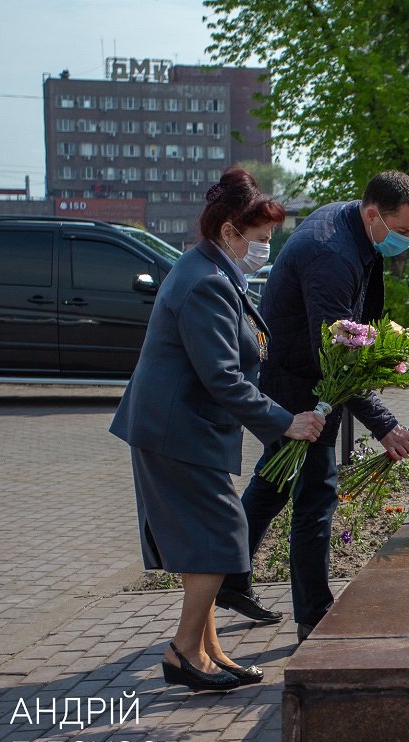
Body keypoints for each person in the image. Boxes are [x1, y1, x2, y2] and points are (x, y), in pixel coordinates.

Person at [110, 167, 325, 692]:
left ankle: (208, 650)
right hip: (176, 431)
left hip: (179, 428)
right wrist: (285, 423)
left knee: (202, 539)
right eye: (260, 239)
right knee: (222, 536)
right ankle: (184, 651)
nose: (264, 249)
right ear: (229, 231)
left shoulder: (211, 269)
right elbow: (223, 377)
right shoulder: (207, 282)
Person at [216, 170, 409, 642]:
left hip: (300, 371)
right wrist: (386, 426)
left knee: (274, 481)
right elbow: (336, 357)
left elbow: (351, 334)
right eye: (404, 232)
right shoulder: (332, 253)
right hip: (300, 385)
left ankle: (228, 578)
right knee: (316, 495)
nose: (408, 241)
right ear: (374, 214)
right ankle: (314, 614)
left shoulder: (355, 226)